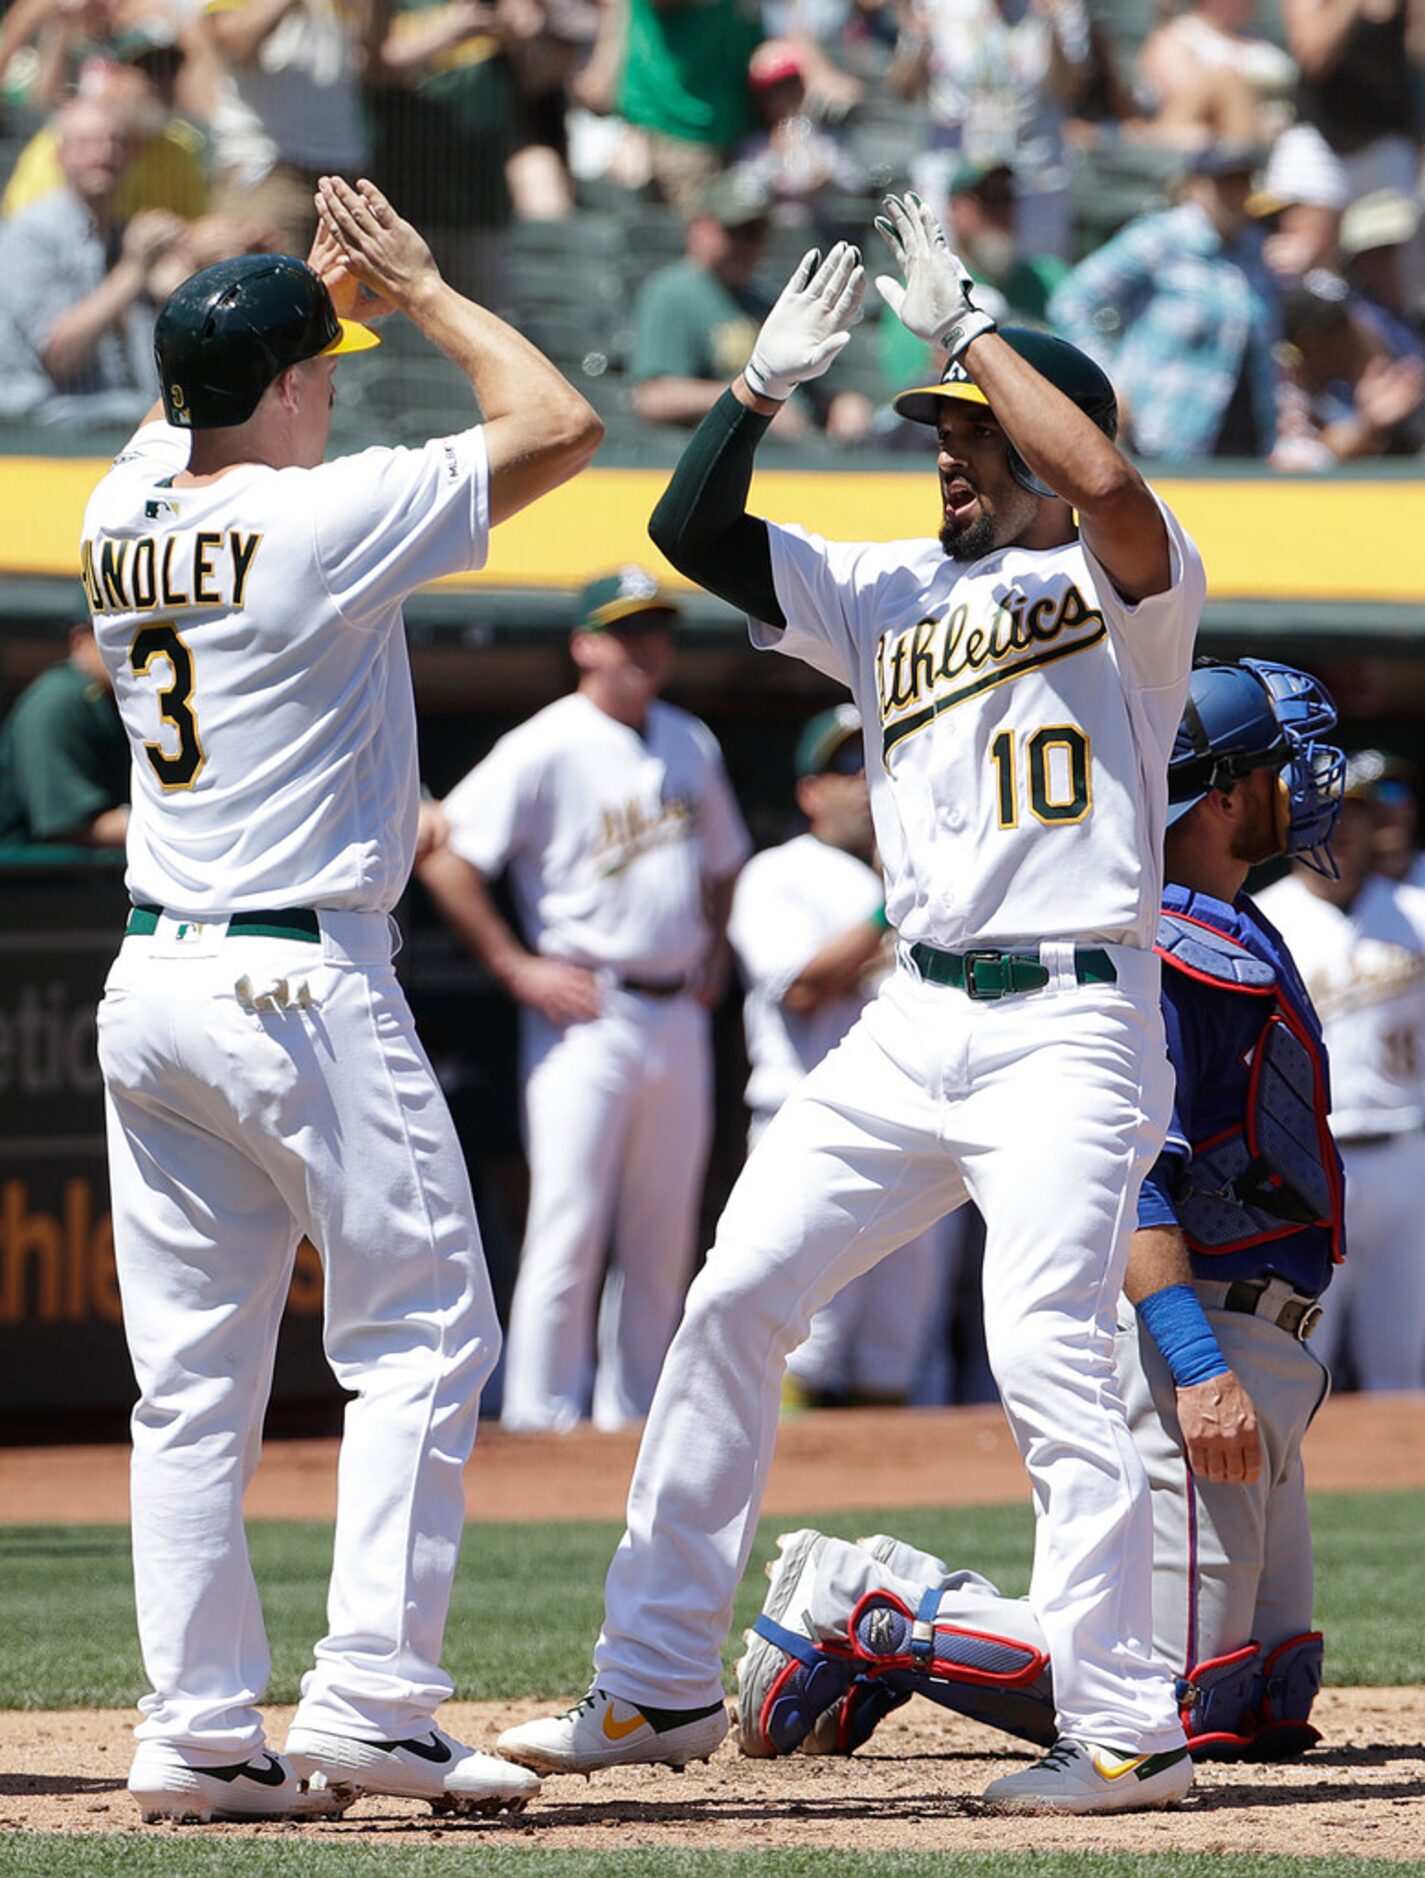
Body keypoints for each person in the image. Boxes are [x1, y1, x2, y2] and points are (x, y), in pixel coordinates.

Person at [495, 193, 1208, 1813]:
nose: (947, 453)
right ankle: (659, 1680)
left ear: (1046, 432)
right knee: (736, 1294)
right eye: (937, 431)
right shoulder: (886, 584)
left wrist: (972, 331)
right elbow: (692, 540)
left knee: (1048, 1352)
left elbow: (1105, 484)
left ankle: (1124, 1729)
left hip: (1068, 1026)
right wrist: (750, 398)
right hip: (912, 1024)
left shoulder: (1131, 585)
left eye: (971, 431)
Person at [87, 175, 601, 1824]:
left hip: (154, 976)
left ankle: (198, 1725)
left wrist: (306, 316)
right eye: (322, 366)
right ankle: (375, 1698)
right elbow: (562, 421)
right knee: (429, 1326)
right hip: (295, 973)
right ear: (298, 385)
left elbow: (205, 415)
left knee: (191, 1384)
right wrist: (425, 294)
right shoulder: (321, 518)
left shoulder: (122, 504)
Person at [733, 656, 1345, 1781]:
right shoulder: (1151, 944)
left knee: (1266, 1702)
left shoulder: (1223, 922)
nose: (1308, 779)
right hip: (1197, 1339)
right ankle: (869, 1602)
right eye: (1277, 763)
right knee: (1165, 1701)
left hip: (1272, 1346)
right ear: (1214, 793)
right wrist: (1200, 1366)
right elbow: (1133, 1180)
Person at [418, 568, 749, 1434]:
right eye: (625, 629)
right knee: (568, 1225)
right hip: (585, 1008)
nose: (645, 646)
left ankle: (634, 1420)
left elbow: (724, 862)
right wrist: (515, 966)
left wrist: (712, 947)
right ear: (584, 642)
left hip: (676, 1006)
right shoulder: (547, 741)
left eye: (656, 629)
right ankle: (540, 1421)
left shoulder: (691, 739)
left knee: (664, 1234)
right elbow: (446, 855)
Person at [728, 703, 957, 1410]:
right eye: (845, 767)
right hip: (807, 1117)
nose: (866, 783)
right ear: (808, 791)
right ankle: (788, 1502)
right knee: (806, 1336)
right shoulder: (777, 872)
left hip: (917, 1127)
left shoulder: (925, 880)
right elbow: (799, 987)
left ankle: (873, 1500)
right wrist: (895, 903)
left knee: (896, 1342)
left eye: (876, 766)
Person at [1257, 761, 1425, 1392]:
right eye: (1322, 817)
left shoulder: (1414, 910)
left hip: (1406, 1151)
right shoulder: (1265, 918)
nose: (1338, 831)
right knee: (1296, 1357)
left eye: (1350, 815)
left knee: (1402, 1360)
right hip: (1305, 1162)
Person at [1048, 144, 1281, 460]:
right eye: (1223, 182)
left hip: (1246, 443)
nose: (1234, 193)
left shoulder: (1256, 250)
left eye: (1242, 182)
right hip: (1162, 436)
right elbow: (1072, 299)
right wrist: (1105, 384)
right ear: (1194, 186)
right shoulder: (1163, 236)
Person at [0, 95, 187, 424]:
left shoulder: (126, 233)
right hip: (42, 419)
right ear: (61, 156)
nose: (104, 154)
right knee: (159, 416)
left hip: (115, 408)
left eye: (116, 143)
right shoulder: (29, 234)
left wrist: (175, 293)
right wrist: (133, 272)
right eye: (87, 143)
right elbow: (59, 356)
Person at [0, 621, 130, 846]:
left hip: (77, 875)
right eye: (119, 636)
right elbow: (69, 827)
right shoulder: (58, 700)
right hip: (21, 873)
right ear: (80, 642)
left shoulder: (123, 700)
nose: (133, 648)